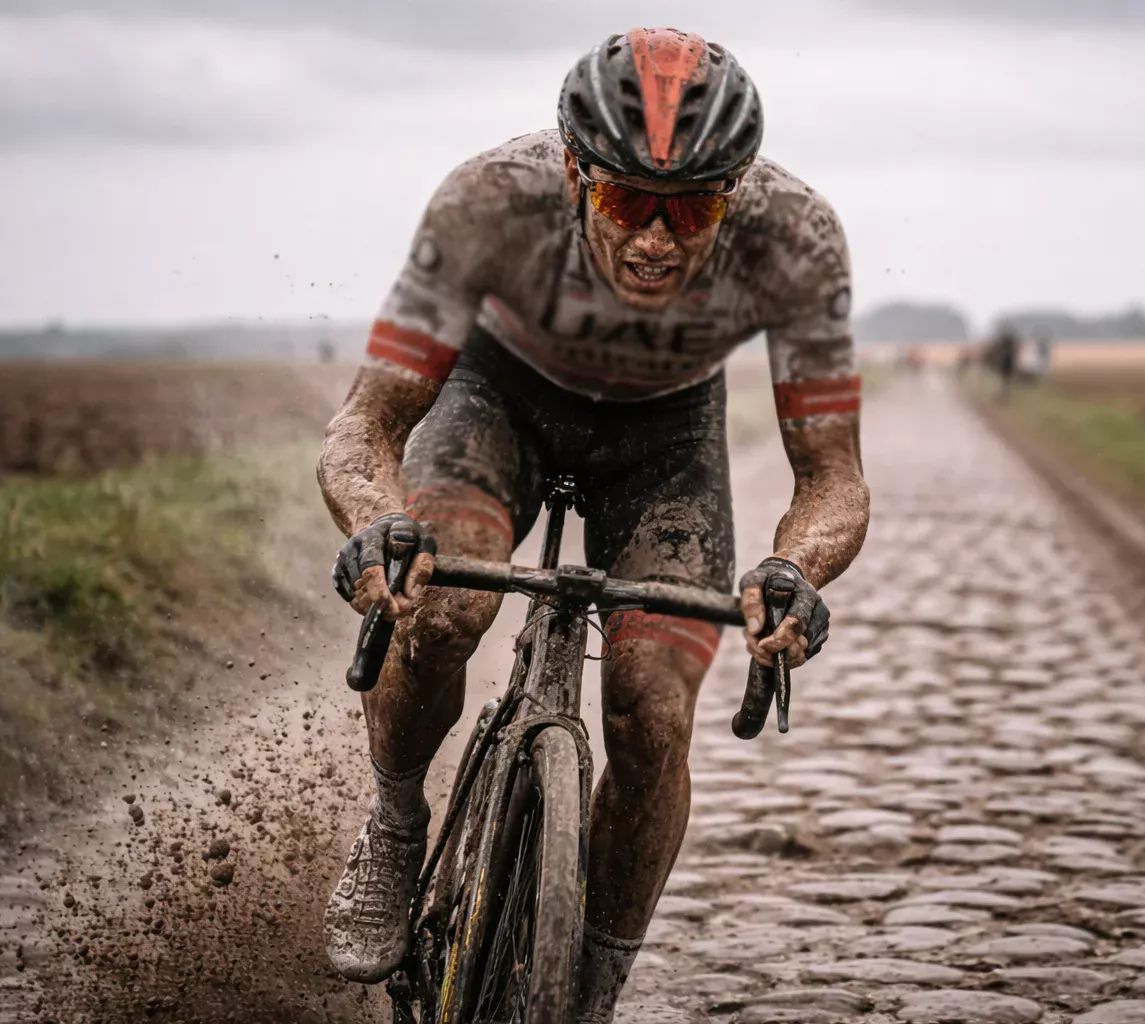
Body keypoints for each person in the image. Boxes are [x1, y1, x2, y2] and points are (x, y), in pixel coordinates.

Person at [315, 27, 869, 1024]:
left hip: (666, 436)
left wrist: (794, 568)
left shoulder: (798, 238)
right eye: (624, 202)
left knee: (653, 715)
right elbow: (365, 427)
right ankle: (396, 824)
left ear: (737, 190)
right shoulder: (488, 201)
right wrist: (379, 522)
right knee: (438, 609)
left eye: (691, 208)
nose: (656, 239)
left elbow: (833, 476)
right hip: (498, 401)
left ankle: (591, 995)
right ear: (574, 172)